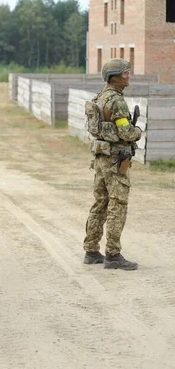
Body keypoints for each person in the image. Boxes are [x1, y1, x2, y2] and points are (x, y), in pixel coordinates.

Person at [83, 58, 142, 271]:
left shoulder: (100, 97)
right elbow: (126, 132)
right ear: (115, 77)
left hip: (100, 158)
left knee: (100, 204)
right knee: (118, 204)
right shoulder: (116, 101)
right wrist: (138, 132)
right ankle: (113, 255)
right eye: (125, 73)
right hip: (116, 160)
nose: (128, 76)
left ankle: (91, 250)